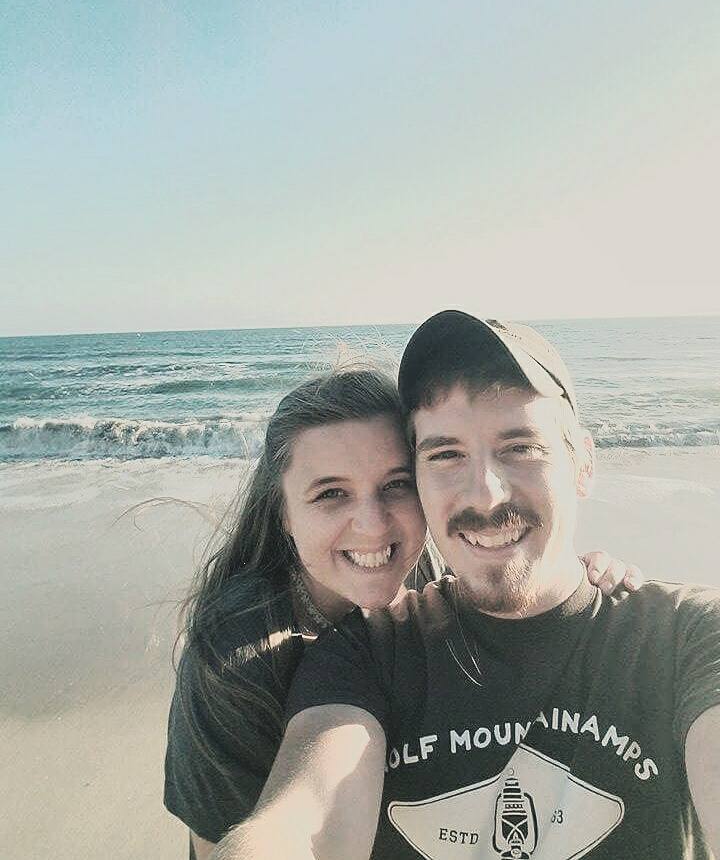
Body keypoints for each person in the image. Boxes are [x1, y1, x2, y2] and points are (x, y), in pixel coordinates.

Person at [213, 312, 720, 860]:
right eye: (446, 455)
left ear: (583, 463)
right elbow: (304, 821)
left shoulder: (688, 635)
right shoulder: (362, 651)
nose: (485, 495)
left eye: (520, 447)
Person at [164, 366, 638, 859]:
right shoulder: (233, 663)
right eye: (331, 494)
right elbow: (248, 839)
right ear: (282, 510)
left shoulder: (422, 573)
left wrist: (575, 575)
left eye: (396, 485)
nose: (373, 526)